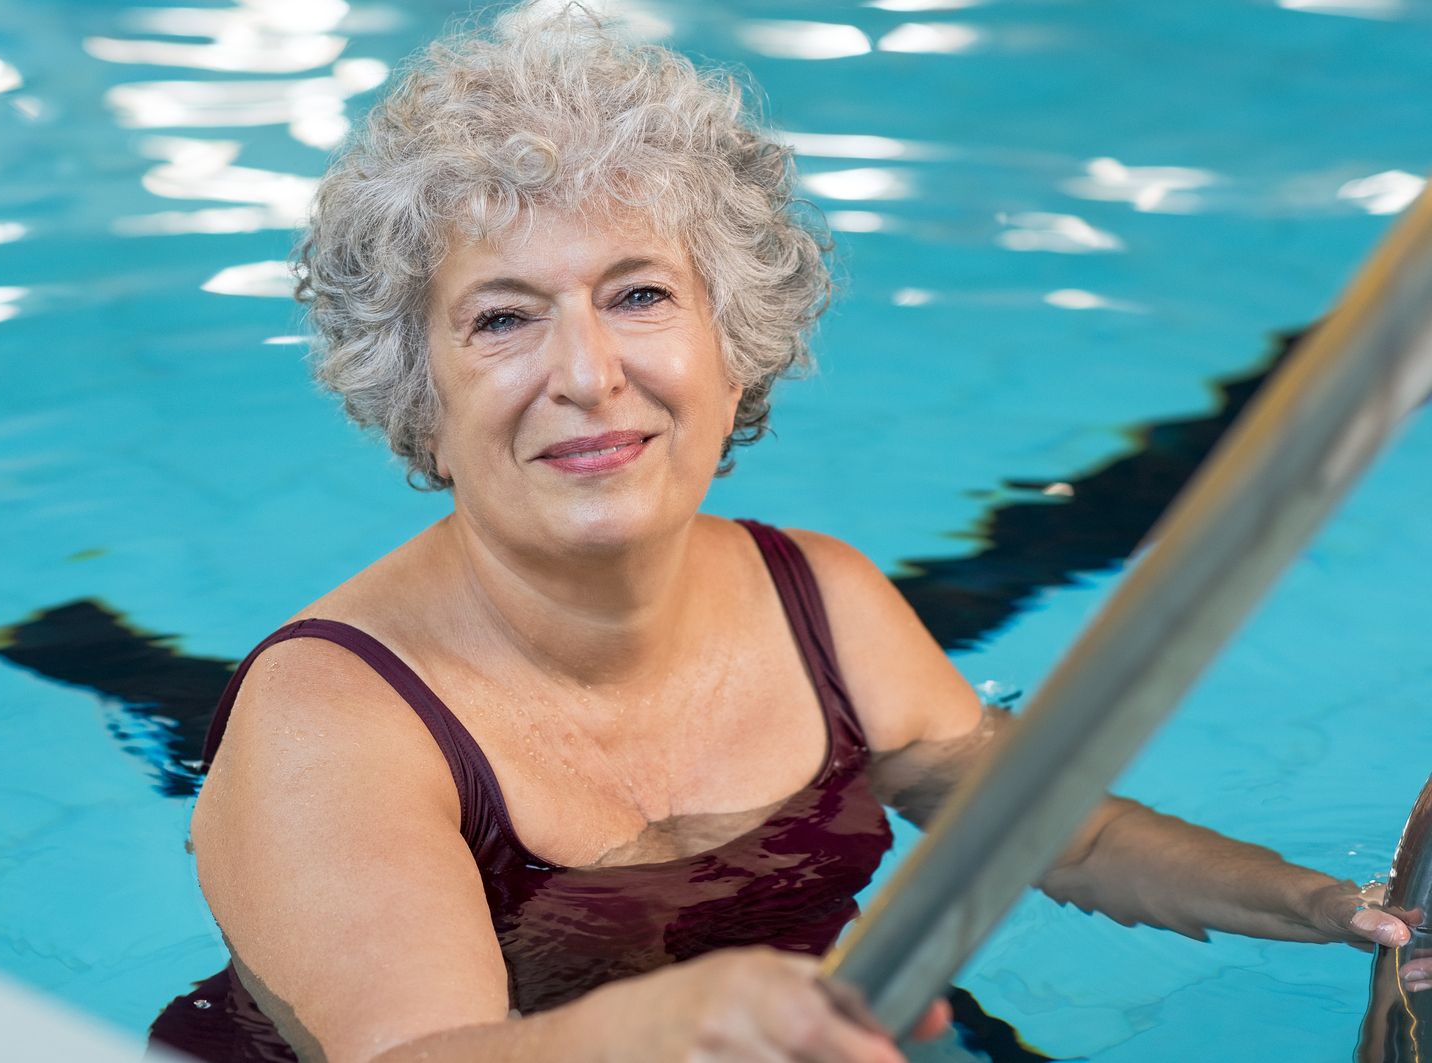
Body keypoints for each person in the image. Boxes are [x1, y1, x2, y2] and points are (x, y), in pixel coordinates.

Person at [150, 7, 1425, 1061]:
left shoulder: (822, 600)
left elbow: (1059, 831)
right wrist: (671, 1024)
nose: (588, 375)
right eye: (500, 318)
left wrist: (1331, 911)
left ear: (732, 343)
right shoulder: (331, 720)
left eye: (639, 294)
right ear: (417, 399)